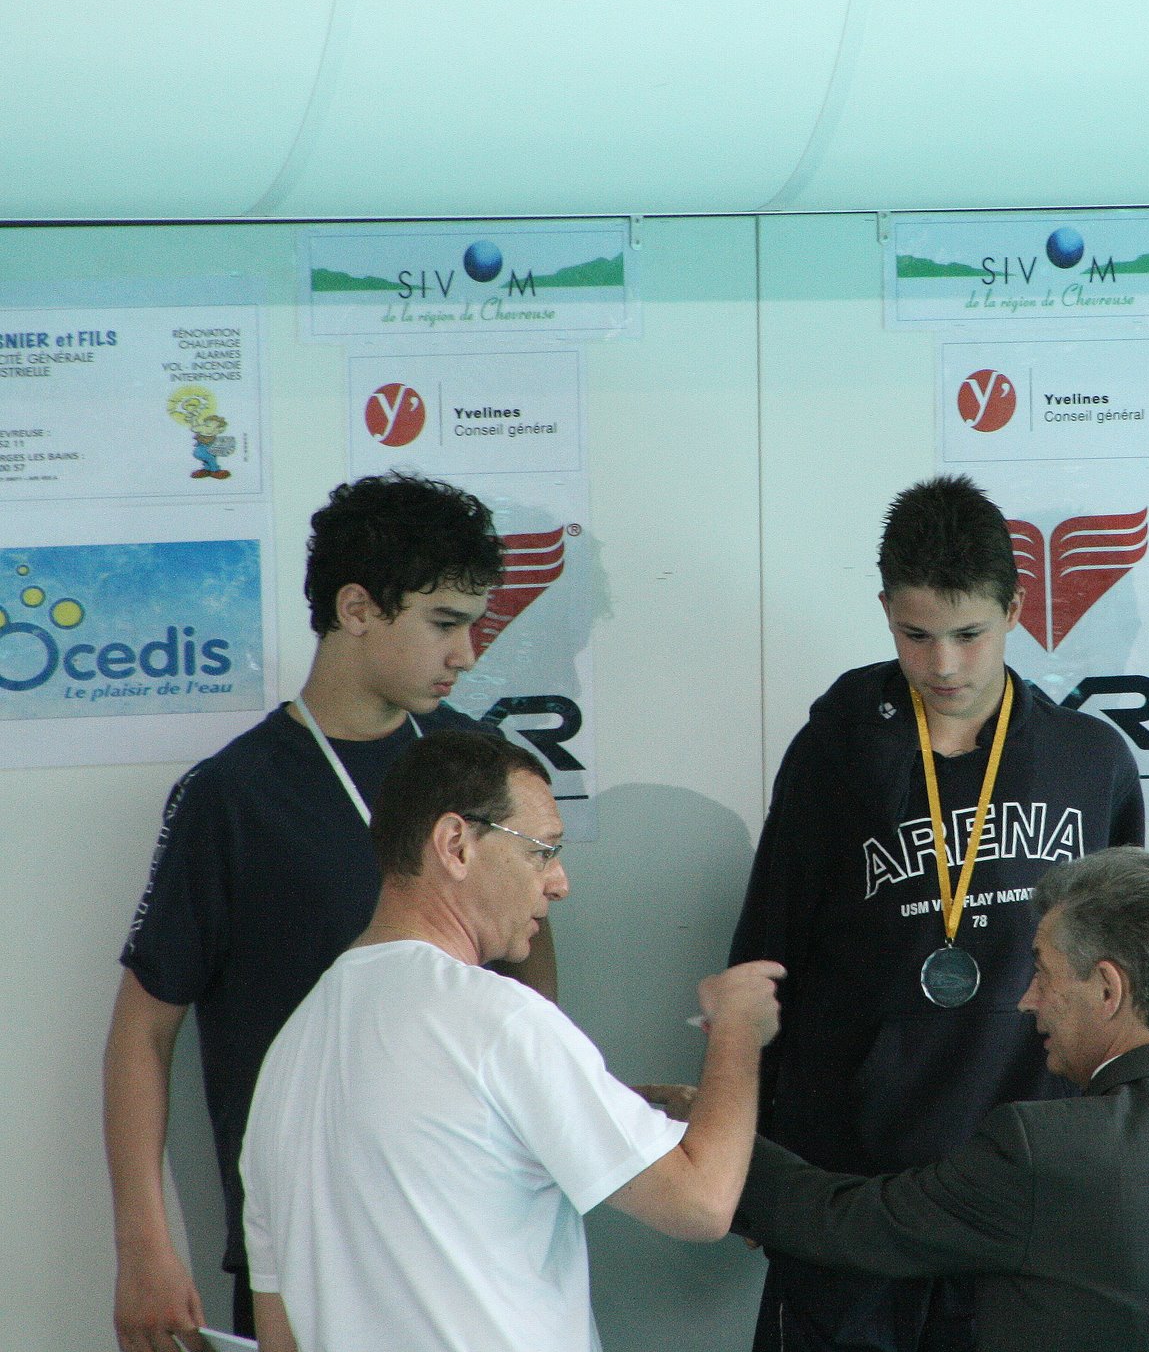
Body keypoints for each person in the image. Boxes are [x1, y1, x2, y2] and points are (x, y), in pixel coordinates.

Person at [103, 472, 557, 1351]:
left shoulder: (480, 765)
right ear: (357, 609)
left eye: (474, 624)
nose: (467, 653)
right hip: (305, 1244)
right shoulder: (233, 794)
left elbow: (528, 961)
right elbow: (142, 1032)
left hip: (470, 1228)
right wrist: (144, 1246)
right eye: (445, 622)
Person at [729, 473, 1145, 1352]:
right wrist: (750, 1157)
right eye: (916, 635)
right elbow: (767, 949)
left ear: (1015, 608)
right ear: (885, 611)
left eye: (969, 634)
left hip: (1026, 1193)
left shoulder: (1088, 762)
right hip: (850, 1188)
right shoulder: (836, 751)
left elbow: (1131, 992)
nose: (944, 664)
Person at [241, 730, 783, 1352]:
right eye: (541, 852)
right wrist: (738, 1029)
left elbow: (278, 1332)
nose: (559, 883)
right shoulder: (498, 1021)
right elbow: (702, 1203)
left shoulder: (288, 1056)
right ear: (455, 845)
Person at [736, 847, 1149, 1352]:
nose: (1027, 1000)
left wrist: (711, 1128)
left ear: (1107, 989)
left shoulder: (1042, 1148)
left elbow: (850, 1224)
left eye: (1043, 973)